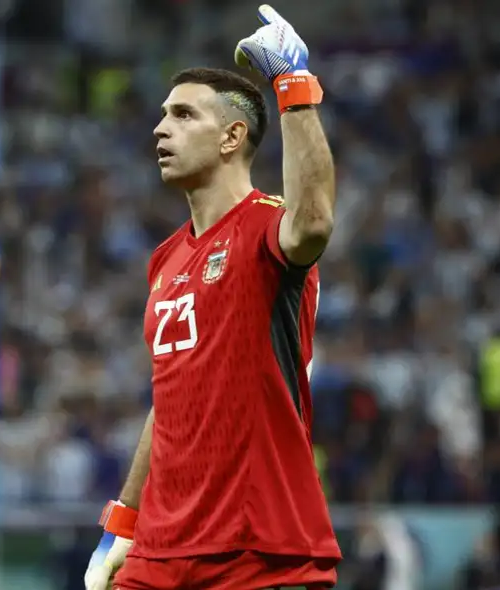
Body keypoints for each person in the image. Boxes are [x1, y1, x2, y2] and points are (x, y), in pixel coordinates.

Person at [83, 5, 341, 590]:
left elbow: (316, 222)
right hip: (161, 550)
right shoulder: (165, 258)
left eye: (182, 114)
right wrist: (122, 521)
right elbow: (169, 396)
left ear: (232, 136)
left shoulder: (267, 227)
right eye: (162, 115)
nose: (160, 128)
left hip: (257, 548)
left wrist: (293, 87)